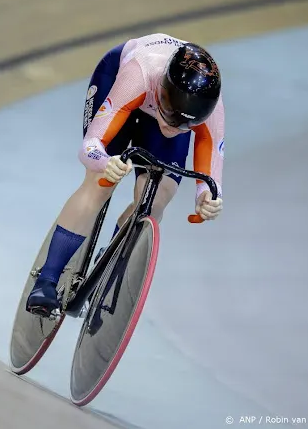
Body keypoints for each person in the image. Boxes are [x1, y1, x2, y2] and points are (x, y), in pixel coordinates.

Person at [26, 33, 225, 314]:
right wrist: (103, 161)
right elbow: (90, 147)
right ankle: (46, 280)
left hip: (160, 99)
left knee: (157, 199)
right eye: (174, 113)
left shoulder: (207, 104)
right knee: (100, 183)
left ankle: (107, 266)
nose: (176, 124)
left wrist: (207, 196)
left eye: (186, 122)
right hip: (122, 86)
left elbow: (211, 153)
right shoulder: (139, 73)